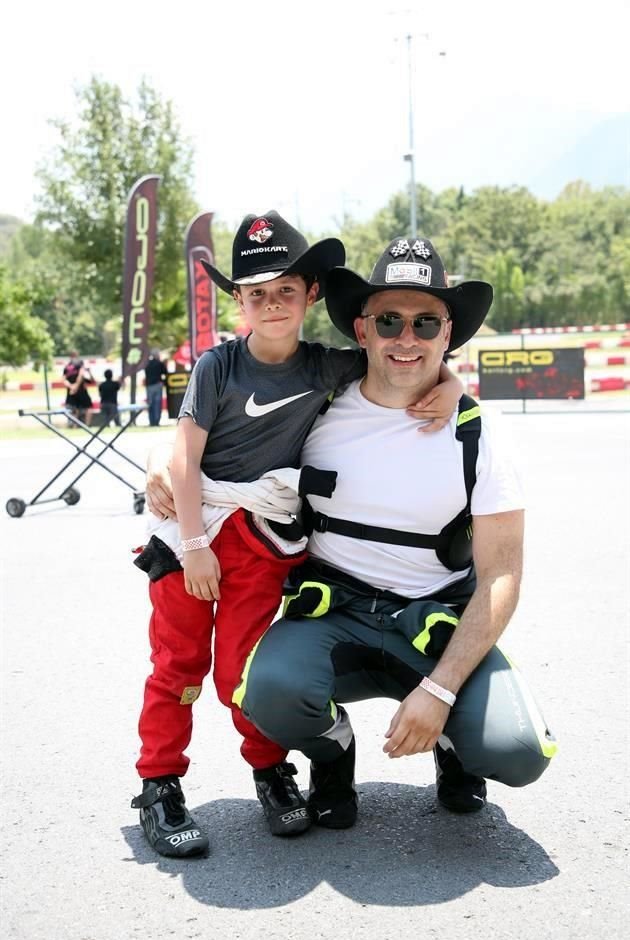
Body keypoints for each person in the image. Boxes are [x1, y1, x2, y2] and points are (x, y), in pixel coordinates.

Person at [132, 213, 464, 859]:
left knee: (243, 670)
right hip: (192, 532)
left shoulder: (325, 366)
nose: (272, 303)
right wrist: (196, 544)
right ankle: (159, 784)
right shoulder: (216, 365)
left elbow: (398, 364)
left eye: (286, 289)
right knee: (179, 663)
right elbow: (182, 457)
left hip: (264, 541)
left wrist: (449, 382)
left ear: (312, 293)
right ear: (238, 300)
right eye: (256, 292)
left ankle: (269, 769)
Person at [228, 236, 557, 831]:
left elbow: (503, 575)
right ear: (362, 330)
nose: (407, 338)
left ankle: (456, 745)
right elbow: (221, 429)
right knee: (268, 692)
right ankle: (332, 751)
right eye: (390, 321)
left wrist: (442, 691)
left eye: (426, 322)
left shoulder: (482, 434)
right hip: (334, 613)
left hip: (435, 623)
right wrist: (158, 461)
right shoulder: (317, 408)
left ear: (448, 333)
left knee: (517, 752)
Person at [62, 352, 94, 426]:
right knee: (88, 408)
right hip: (81, 390)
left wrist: (71, 387)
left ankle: (75, 426)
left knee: (74, 409)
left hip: (71, 392)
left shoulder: (67, 366)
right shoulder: (80, 363)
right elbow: (81, 374)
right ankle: (87, 425)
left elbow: (63, 379)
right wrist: (76, 386)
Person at [144, 349, 168, 426]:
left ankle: (151, 421)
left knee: (150, 404)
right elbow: (165, 372)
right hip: (158, 385)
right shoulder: (159, 363)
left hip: (149, 386)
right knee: (157, 403)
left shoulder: (147, 364)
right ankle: (157, 421)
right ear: (157, 355)